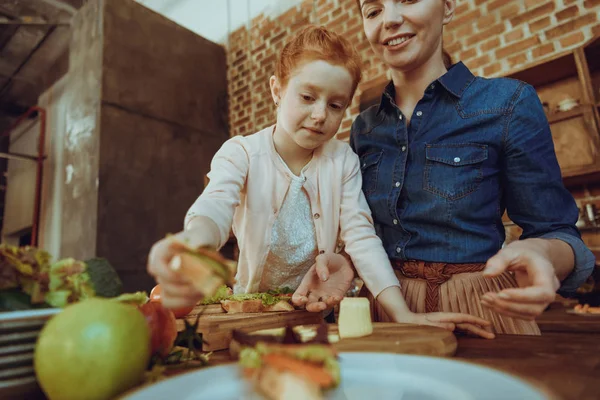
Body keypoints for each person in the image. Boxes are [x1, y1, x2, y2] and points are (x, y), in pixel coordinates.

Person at [146, 25, 493, 338]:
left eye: (335, 105)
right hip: (252, 314)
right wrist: (191, 243)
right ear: (277, 90)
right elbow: (215, 207)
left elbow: (361, 237)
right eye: (308, 97)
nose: (319, 115)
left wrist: (401, 313)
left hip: (319, 317)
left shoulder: (343, 161)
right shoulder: (241, 153)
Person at [348, 0, 595, 334]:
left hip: (479, 310)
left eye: (407, 0)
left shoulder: (508, 103)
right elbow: (361, 233)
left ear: (447, 8)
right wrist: (343, 263)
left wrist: (541, 252)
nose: (389, 20)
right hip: (386, 314)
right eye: (373, 10)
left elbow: (558, 232)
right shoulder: (363, 128)